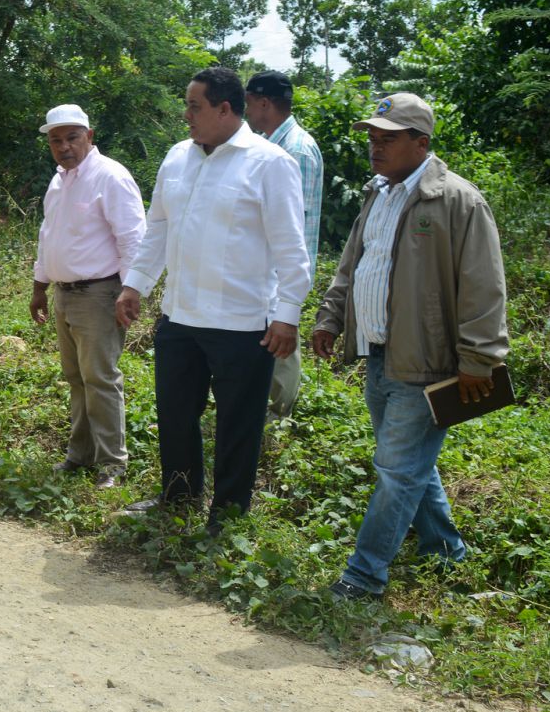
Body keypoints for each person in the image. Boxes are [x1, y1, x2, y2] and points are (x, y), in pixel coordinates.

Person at [310, 93, 508, 601]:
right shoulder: (379, 194)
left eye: (388, 139)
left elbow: (484, 285)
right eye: (373, 137)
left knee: (397, 472)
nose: (376, 147)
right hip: (380, 354)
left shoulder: (458, 202)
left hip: (427, 364)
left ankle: (364, 575)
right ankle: (447, 556)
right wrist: (331, 317)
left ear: (421, 143)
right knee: (412, 465)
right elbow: (354, 265)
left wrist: (480, 359)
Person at [115, 67, 311, 528]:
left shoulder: (269, 163)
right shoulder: (178, 157)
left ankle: (228, 517)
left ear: (226, 109)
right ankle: (179, 498)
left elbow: (291, 248)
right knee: (177, 415)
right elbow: (157, 227)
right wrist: (134, 284)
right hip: (180, 317)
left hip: (243, 324)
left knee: (237, 427)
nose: (186, 116)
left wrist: (287, 316)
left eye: (194, 107)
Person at [30, 104, 147, 490]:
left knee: (100, 378)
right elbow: (49, 236)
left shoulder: (109, 176)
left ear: (89, 137)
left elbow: (132, 237)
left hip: (100, 293)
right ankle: (79, 455)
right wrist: (39, 287)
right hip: (65, 294)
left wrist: (130, 291)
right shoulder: (59, 181)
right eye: (56, 140)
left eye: (72, 138)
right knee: (76, 378)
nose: (64, 147)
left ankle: (112, 464)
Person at [244, 70, 324, 419]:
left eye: (248, 105)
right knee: (267, 346)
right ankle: (265, 413)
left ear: (264, 104)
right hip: (267, 273)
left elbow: (297, 228)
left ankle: (279, 418)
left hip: (282, 274)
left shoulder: (296, 151)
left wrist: (288, 290)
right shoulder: (275, 146)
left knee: (282, 347)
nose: (246, 113)